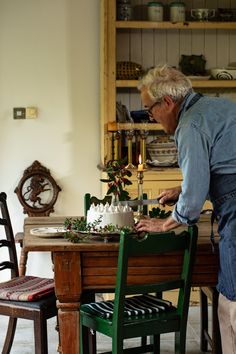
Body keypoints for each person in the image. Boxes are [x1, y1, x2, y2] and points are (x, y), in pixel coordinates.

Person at [135, 64, 236, 354]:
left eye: (149, 109)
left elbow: (192, 202)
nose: (150, 116)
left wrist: (166, 223)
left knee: (232, 295)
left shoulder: (190, 123)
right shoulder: (216, 107)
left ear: (167, 102)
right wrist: (182, 189)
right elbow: (221, 163)